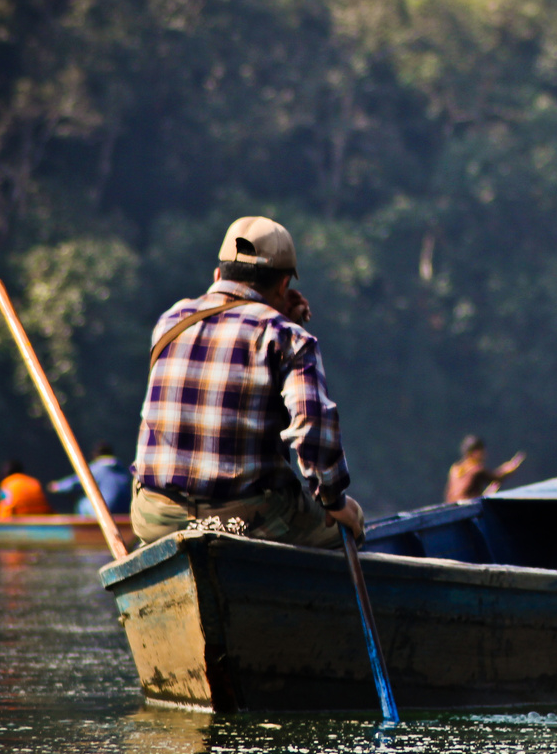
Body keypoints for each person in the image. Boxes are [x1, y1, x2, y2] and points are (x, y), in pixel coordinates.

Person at [131, 216, 362, 547]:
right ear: (284, 286)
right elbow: (312, 427)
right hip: (244, 520)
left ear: (217, 275)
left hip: (156, 517)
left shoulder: (170, 321)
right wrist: (335, 503)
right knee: (349, 522)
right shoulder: (287, 337)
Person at [48, 441, 132, 516]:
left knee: (81, 503)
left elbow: (77, 482)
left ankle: (86, 530)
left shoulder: (99, 467)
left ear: (96, 454)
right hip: (124, 510)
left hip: (106, 511)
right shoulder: (122, 468)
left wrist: (57, 486)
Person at [443, 436, 524, 503]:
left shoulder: (455, 468)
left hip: (451, 506)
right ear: (474, 452)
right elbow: (496, 478)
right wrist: (509, 469)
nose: (484, 454)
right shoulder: (476, 470)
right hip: (468, 508)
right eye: (481, 451)